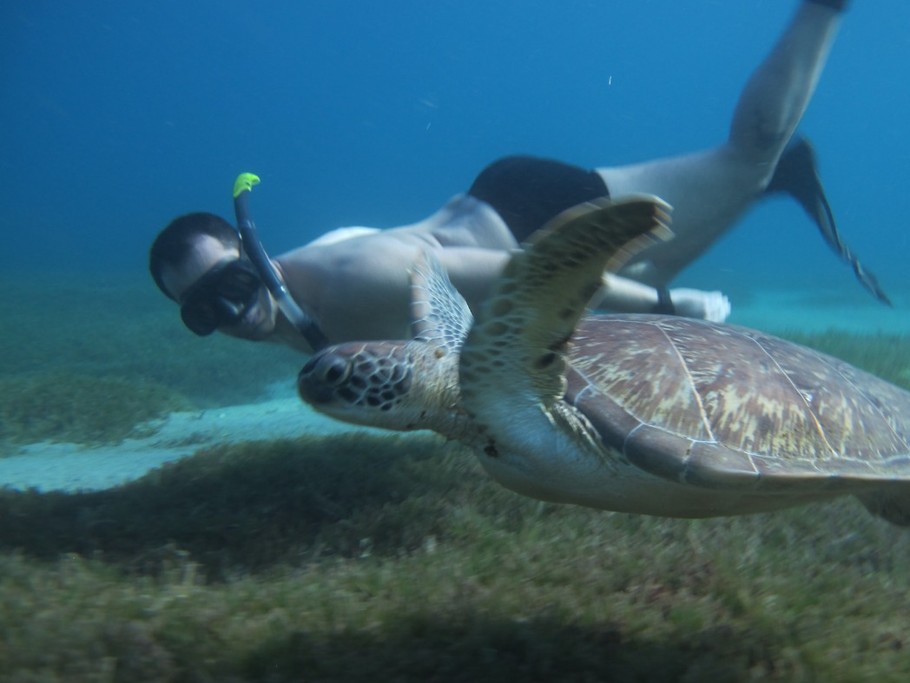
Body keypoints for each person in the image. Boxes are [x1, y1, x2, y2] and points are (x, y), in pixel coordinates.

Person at [150, 0, 877, 355]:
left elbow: (523, 271)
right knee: (731, 190)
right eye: (203, 311)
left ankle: (824, 14)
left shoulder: (350, 277)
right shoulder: (279, 311)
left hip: (528, 216)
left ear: (256, 257)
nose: (232, 311)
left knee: (744, 157)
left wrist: (672, 303)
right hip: (494, 229)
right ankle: (774, 178)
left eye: (232, 283)